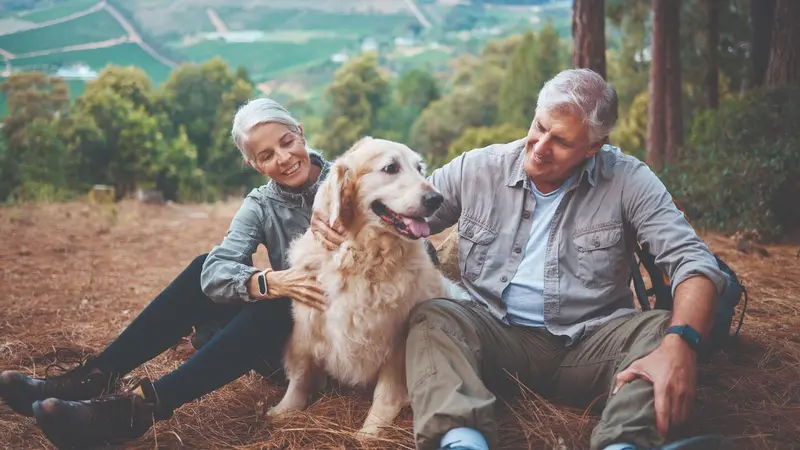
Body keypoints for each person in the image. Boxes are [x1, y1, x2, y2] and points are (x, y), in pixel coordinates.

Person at [312, 69, 732, 450]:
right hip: (493, 338)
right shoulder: (478, 168)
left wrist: (682, 342)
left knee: (660, 330)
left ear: (593, 147)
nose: (540, 148)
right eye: (539, 127)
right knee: (433, 318)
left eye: (562, 141)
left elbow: (694, 264)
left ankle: (623, 445)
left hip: (591, 344)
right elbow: (400, 206)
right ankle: (461, 442)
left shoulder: (630, 180)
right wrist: (329, 203)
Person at [0, 98, 333, 449]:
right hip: (285, 351)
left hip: (339, 349)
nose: (282, 158)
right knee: (206, 269)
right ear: (253, 164)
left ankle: (137, 409)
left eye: (286, 142)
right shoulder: (262, 204)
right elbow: (215, 271)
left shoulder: (352, 181)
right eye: (265, 156)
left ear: (300, 132)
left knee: (278, 301)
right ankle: (94, 378)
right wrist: (265, 281)